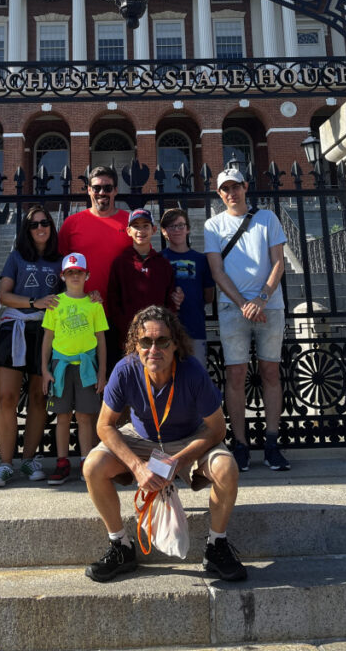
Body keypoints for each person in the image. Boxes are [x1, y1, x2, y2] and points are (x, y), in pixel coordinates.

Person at [82, 305, 247, 583]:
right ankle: (120, 546)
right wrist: (137, 467)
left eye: (162, 341)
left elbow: (217, 429)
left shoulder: (192, 371)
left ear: (176, 344)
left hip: (189, 438)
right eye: (146, 341)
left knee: (226, 468)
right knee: (92, 466)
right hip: (141, 437)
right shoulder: (125, 370)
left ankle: (216, 546)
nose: (153, 349)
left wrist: (178, 461)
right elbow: (104, 425)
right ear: (136, 345)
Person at [204, 168, 289, 472]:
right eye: (225, 189)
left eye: (235, 186)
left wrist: (261, 299)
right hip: (233, 308)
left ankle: (272, 443)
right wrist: (244, 304)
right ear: (219, 193)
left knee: (270, 371)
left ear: (245, 187)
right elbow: (217, 271)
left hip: (270, 306)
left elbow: (279, 262)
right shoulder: (213, 225)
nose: (231, 193)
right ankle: (240, 444)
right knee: (236, 374)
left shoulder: (267, 218)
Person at [0, 204, 62, 488]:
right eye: (34, 224)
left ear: (51, 227)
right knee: (6, 397)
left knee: (38, 397)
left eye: (45, 223)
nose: (40, 228)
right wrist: (34, 302)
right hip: (15, 329)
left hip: (45, 332)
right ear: (26, 230)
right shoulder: (16, 257)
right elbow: (4, 295)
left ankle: (29, 459)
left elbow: (70, 293)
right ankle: (6, 463)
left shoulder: (60, 261)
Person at [41, 252, 108, 485]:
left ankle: (86, 461)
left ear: (87, 275)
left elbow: (101, 340)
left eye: (79, 272)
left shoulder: (94, 304)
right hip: (60, 366)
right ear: (63, 276)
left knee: (84, 416)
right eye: (70, 273)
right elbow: (48, 338)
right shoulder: (55, 303)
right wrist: (44, 370)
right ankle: (62, 462)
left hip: (86, 366)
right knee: (62, 416)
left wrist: (102, 372)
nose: (75, 276)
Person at [58, 165, 132, 370]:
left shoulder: (129, 222)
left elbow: (144, 259)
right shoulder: (72, 224)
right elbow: (60, 266)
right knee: (84, 379)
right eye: (97, 187)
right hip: (81, 313)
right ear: (89, 190)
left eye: (107, 188)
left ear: (115, 190)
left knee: (118, 376)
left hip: (119, 313)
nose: (102, 192)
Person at [107, 208, 182, 357]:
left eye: (145, 226)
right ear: (128, 231)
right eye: (136, 226)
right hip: (129, 338)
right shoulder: (120, 263)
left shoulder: (163, 264)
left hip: (158, 340)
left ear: (154, 230)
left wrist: (163, 330)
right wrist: (128, 329)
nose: (141, 231)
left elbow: (170, 302)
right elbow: (113, 301)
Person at [160, 208, 214, 366]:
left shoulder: (201, 260)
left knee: (196, 373)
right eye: (171, 226)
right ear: (164, 231)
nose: (176, 230)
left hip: (194, 327)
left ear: (188, 228)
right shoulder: (159, 259)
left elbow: (209, 296)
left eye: (180, 225)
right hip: (166, 330)